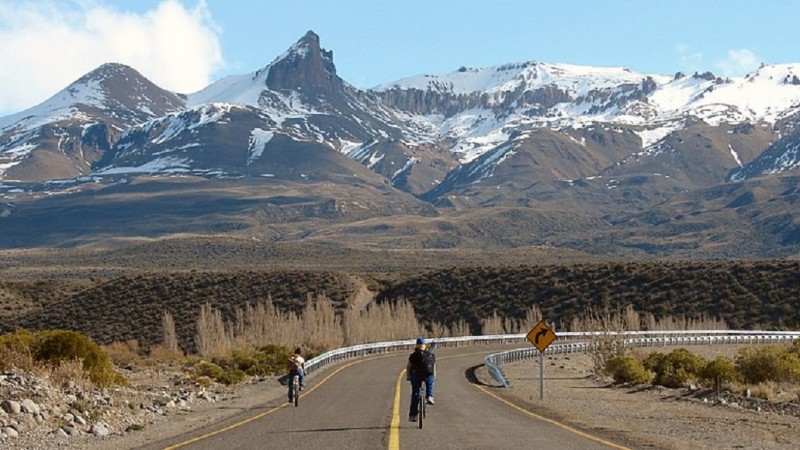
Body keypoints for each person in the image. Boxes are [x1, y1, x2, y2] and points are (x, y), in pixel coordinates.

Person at [406, 337, 436, 421]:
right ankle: (430, 396)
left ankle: (413, 415)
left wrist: (408, 376)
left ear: (417, 345)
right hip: (428, 374)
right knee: (430, 382)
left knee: (415, 394)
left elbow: (409, 367)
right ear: (424, 346)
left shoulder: (413, 355)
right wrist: (433, 377)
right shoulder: (430, 355)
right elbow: (433, 367)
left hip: (416, 375)